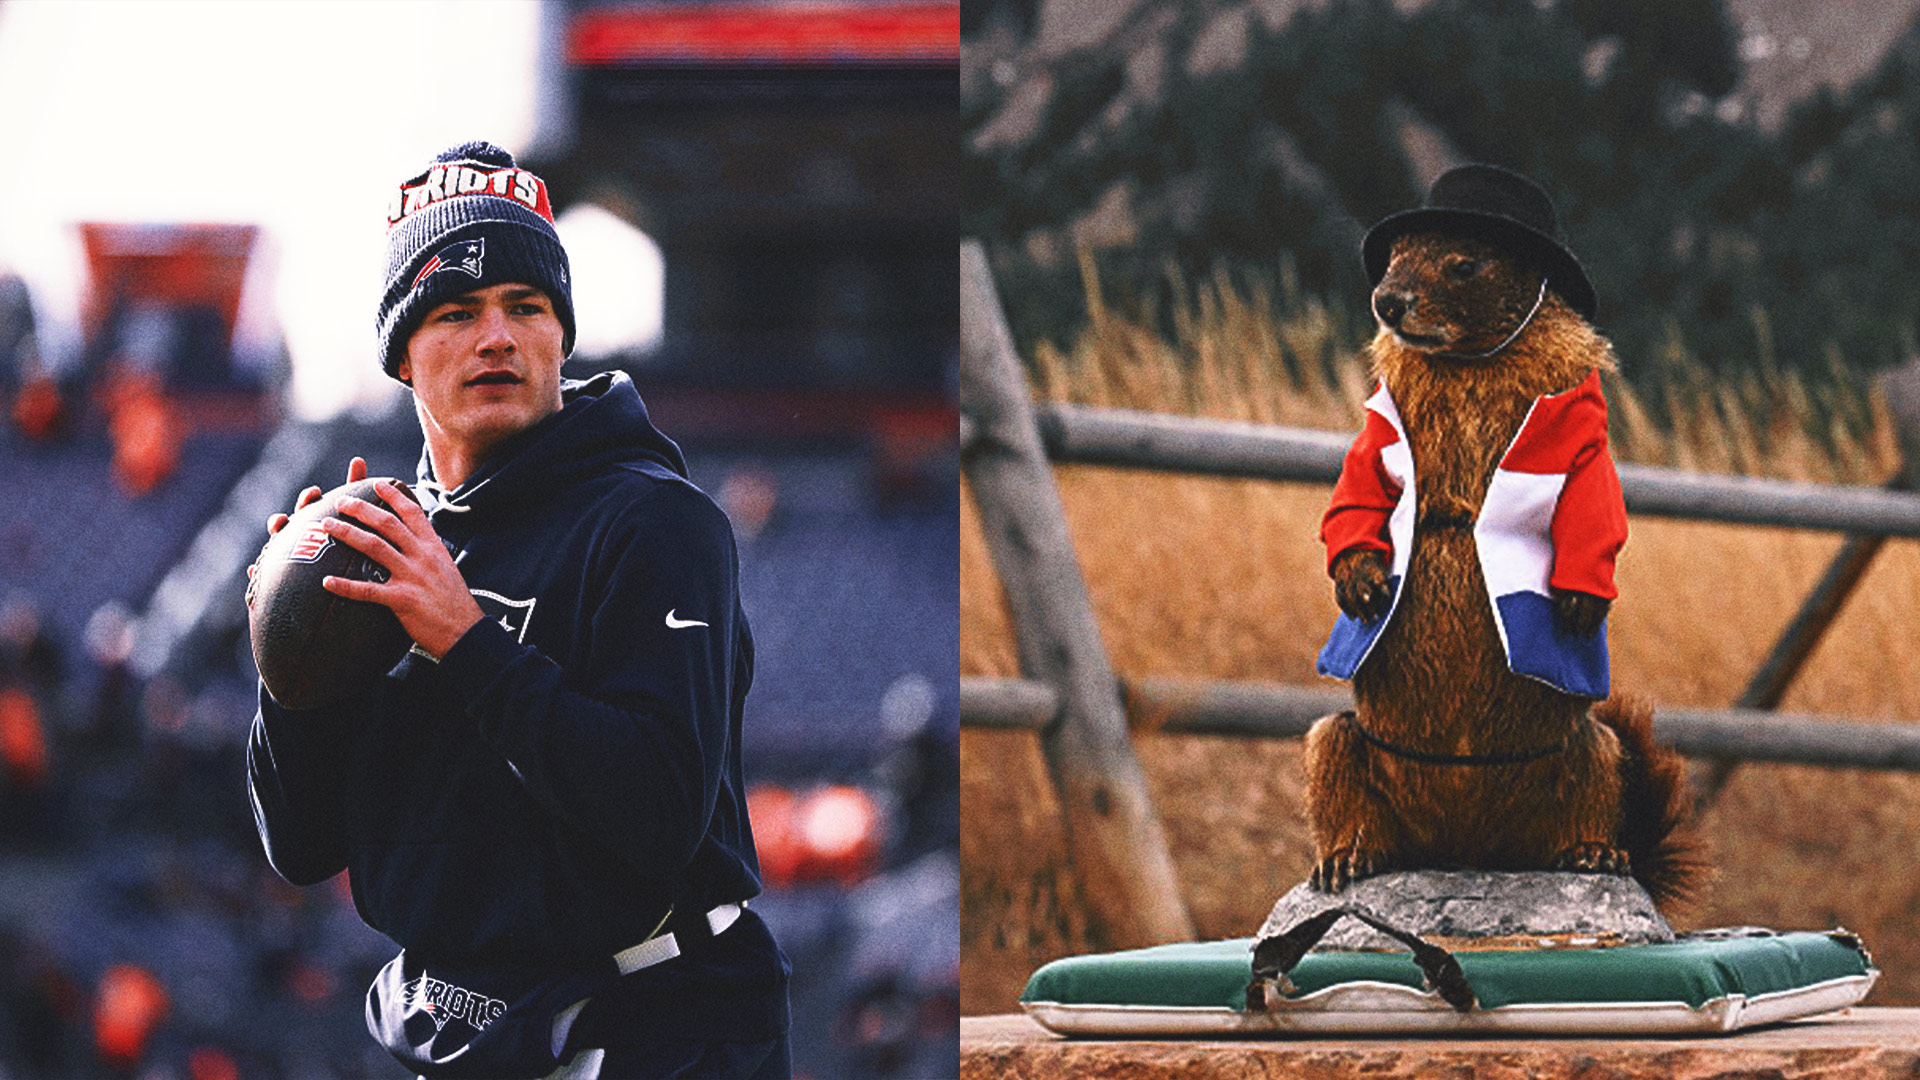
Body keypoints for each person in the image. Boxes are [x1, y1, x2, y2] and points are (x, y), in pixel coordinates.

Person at [245, 142, 789, 1079]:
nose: (497, 336)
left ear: (561, 335)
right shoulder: (382, 546)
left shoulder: (657, 521)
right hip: (453, 1026)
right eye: (457, 313)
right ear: (403, 355)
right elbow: (301, 848)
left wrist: (466, 642)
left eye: (526, 308)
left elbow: (659, 814)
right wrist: (291, 667)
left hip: (657, 1022)